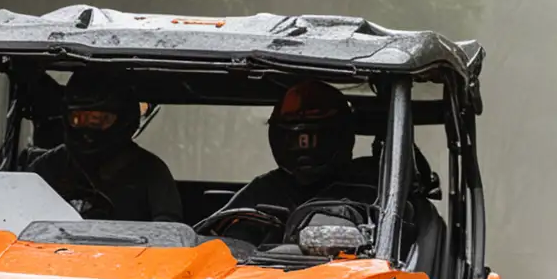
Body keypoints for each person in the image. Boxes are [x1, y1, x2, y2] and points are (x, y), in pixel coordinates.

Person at [218, 80, 377, 242]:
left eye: (314, 137)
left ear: (342, 135)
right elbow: (214, 236)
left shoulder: (371, 188)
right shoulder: (263, 190)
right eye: (294, 138)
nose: (304, 147)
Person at [30, 69, 183, 223]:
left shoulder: (151, 172)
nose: (88, 129)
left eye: (99, 120)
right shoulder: (46, 168)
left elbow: (168, 232)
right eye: (78, 118)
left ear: (124, 119)